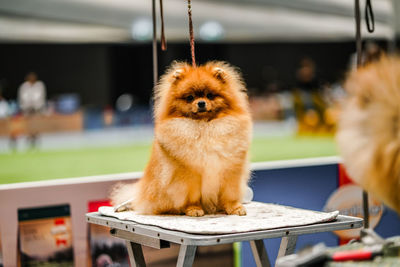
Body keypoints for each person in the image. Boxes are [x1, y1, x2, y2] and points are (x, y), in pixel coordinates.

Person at [18, 72, 47, 148]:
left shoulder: (39, 85)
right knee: (28, 125)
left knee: (36, 124)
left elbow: (41, 97)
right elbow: (22, 98)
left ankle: (36, 138)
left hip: (37, 109)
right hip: (27, 110)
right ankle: (29, 138)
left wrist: (37, 106)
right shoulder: (24, 86)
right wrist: (26, 107)